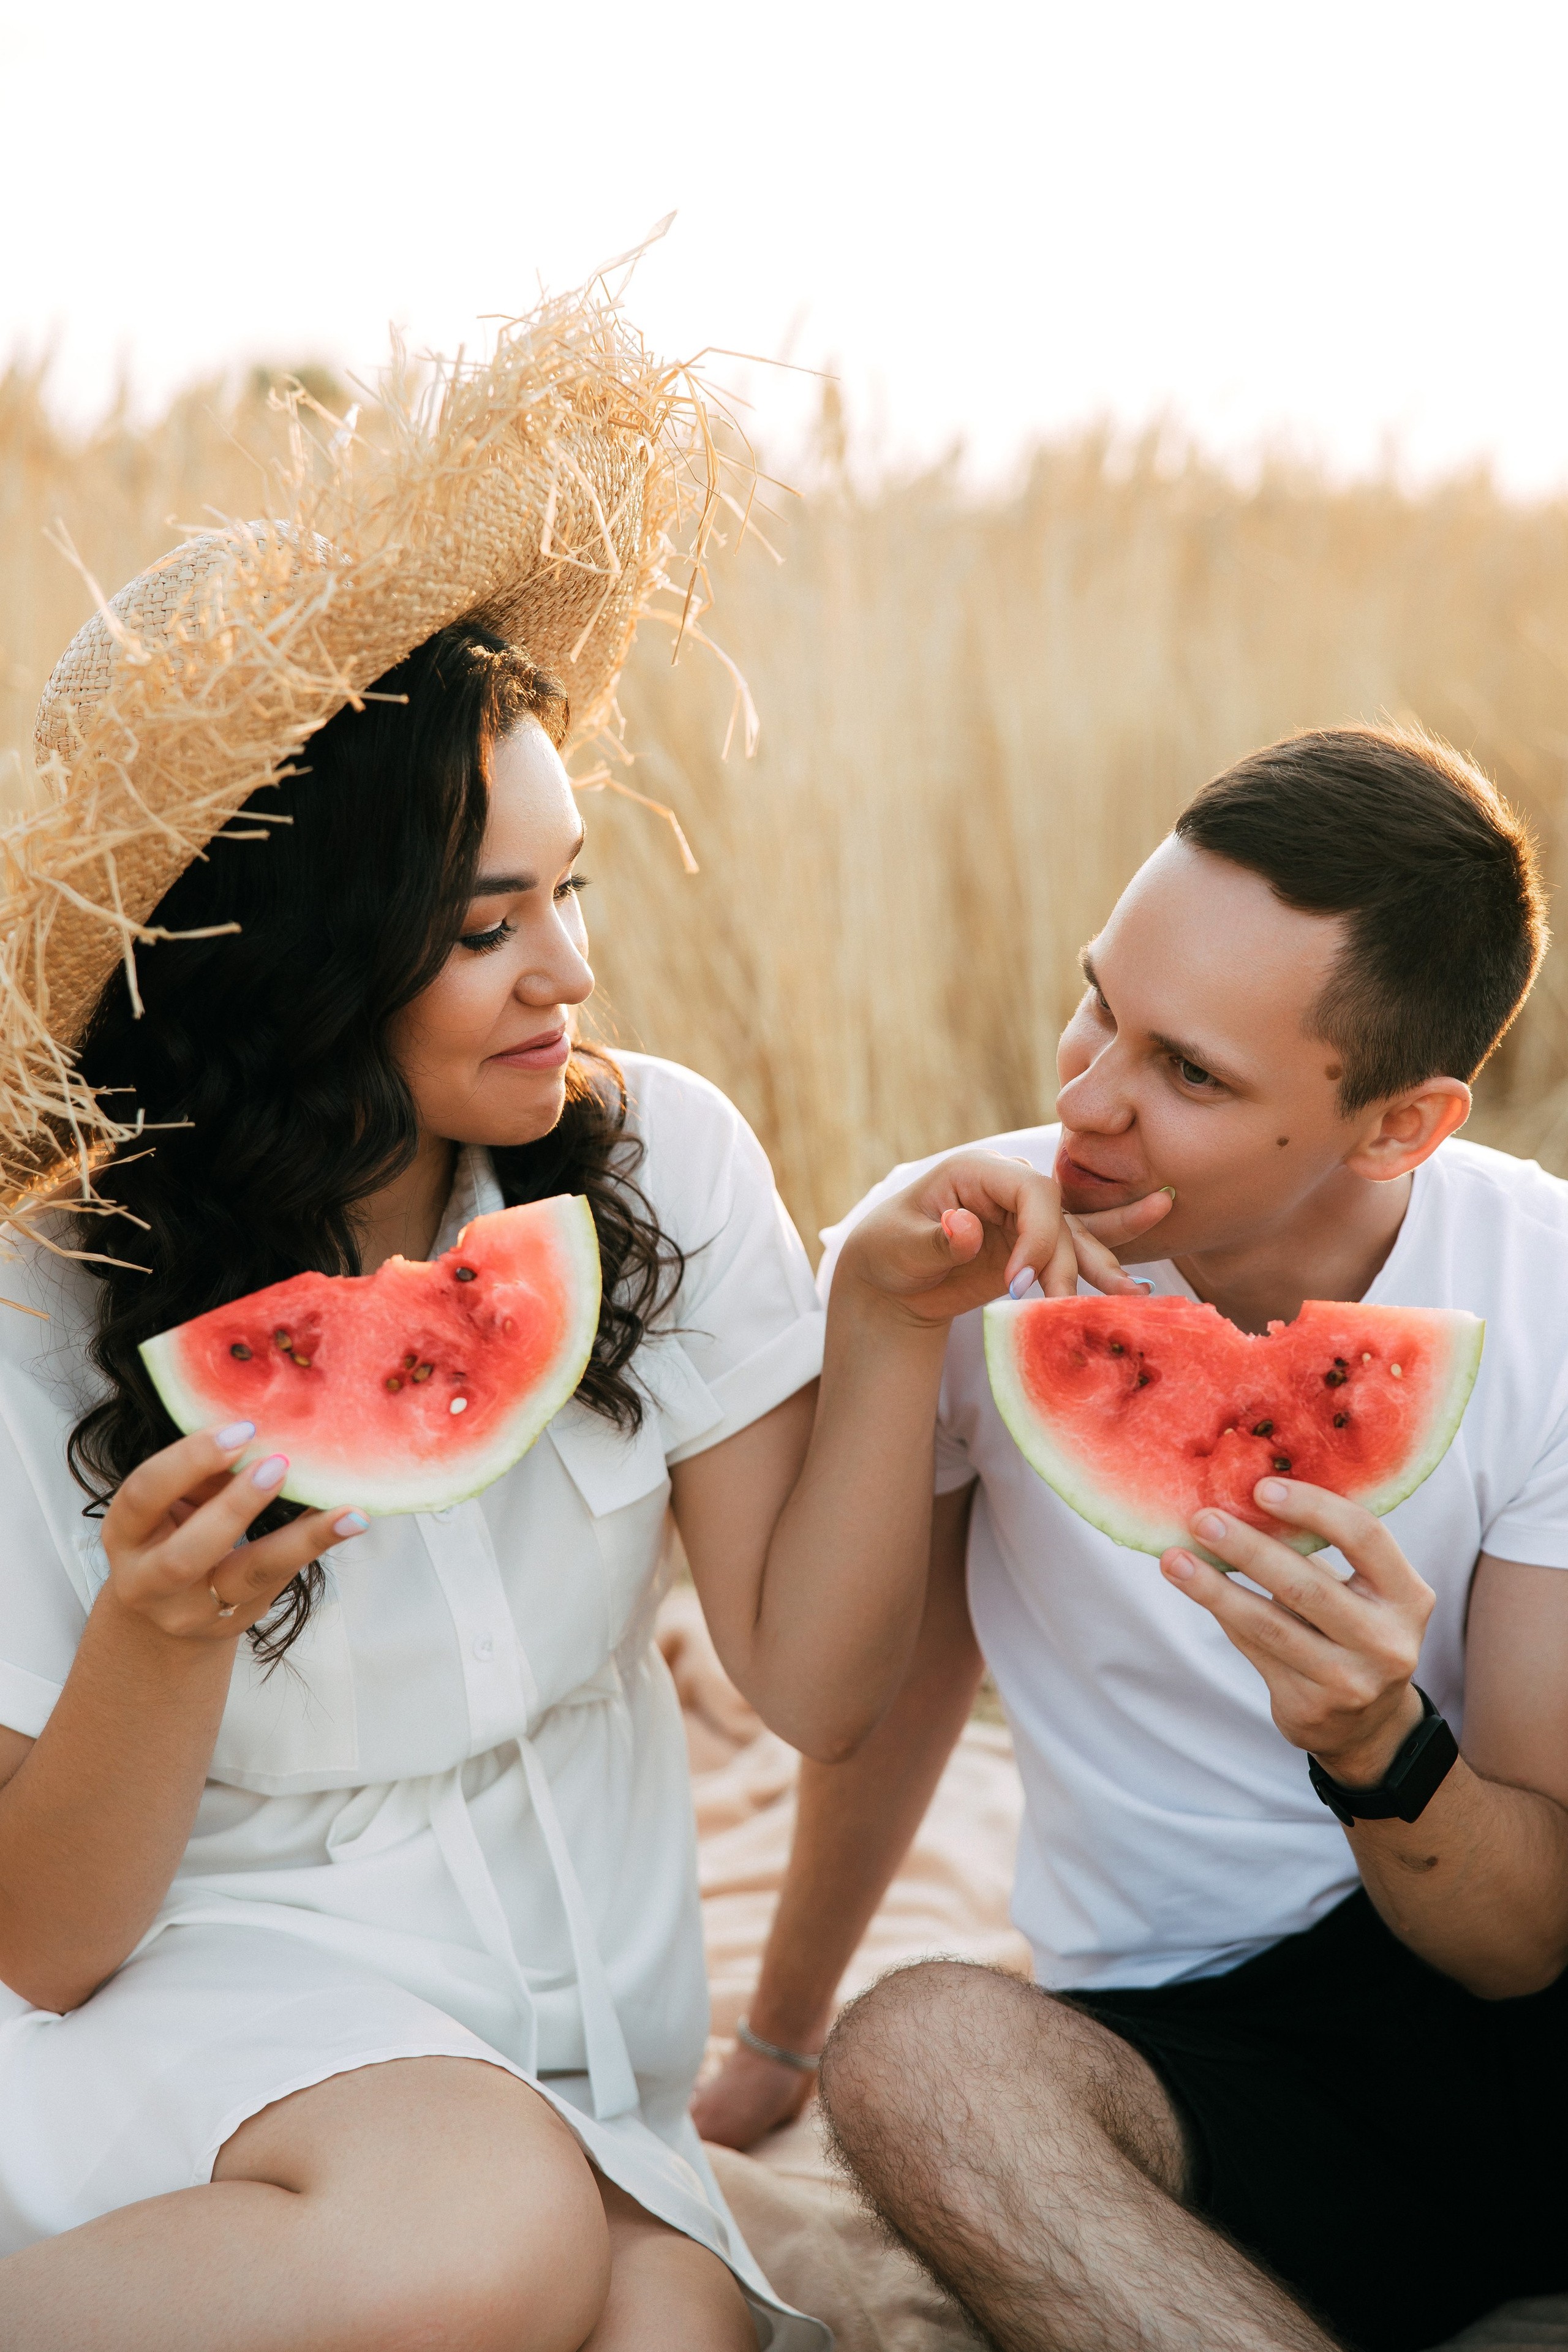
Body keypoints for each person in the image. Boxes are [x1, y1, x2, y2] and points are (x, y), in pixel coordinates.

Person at [0, 293, 1162, 2352]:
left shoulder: (655, 1168)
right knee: (483, 2237)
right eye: (481, 926)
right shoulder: (42, 1310)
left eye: (575, 889)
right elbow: (45, 1945)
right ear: (294, 961)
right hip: (190, 2020)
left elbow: (812, 1691)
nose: (568, 972)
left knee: (669, 2329)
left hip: (576, 2043)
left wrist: (885, 1319)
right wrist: (154, 1643)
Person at [695, 726, 1568, 2352]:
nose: (1083, 1098)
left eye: (1191, 1073)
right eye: (1100, 1000)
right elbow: (882, 1700)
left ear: (1400, 1128)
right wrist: (786, 2032)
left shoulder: (1544, 1300)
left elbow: (1526, 1945)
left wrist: (1380, 1743)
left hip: (1504, 1976)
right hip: (1207, 2067)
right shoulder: (955, 1259)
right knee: (926, 2055)